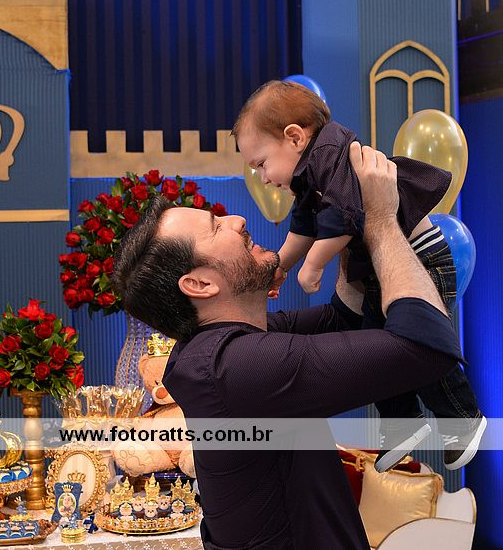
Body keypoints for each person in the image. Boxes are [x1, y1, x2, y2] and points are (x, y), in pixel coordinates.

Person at [112, 144, 463, 548]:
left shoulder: (221, 347)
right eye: (216, 227)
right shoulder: (236, 366)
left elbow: (343, 319)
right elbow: (427, 348)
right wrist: (382, 220)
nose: (238, 220)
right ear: (200, 284)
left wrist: (347, 224)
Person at [232, 80, 486, 471]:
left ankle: (461, 419)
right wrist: (281, 265)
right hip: (379, 273)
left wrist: (314, 264)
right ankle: (402, 424)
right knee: (377, 348)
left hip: (420, 259)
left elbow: (343, 217)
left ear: (295, 137)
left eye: (261, 164)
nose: (263, 178)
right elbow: (304, 226)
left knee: (422, 342)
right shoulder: (308, 174)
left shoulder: (331, 154)